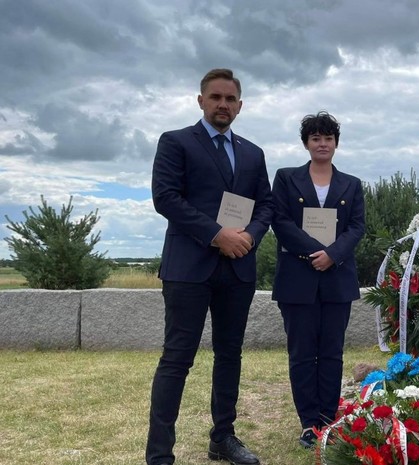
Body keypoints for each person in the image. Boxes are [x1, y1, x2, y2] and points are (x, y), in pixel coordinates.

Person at [146, 68, 272, 465]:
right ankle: (160, 455)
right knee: (176, 359)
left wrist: (249, 236)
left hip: (237, 268)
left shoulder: (253, 153)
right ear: (201, 101)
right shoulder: (176, 142)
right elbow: (166, 197)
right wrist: (218, 235)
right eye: (215, 97)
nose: (223, 104)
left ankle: (223, 438)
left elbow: (266, 205)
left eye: (230, 99)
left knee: (229, 354)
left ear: (240, 105)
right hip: (189, 268)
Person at [271, 111, 365, 448]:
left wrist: (333, 255)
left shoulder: (352, 184)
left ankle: (328, 420)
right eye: (315, 138)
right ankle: (309, 423)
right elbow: (280, 220)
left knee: (331, 352)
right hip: (297, 278)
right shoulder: (286, 178)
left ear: (336, 143)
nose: (322, 143)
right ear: (306, 143)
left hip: (337, 278)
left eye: (328, 138)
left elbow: (357, 226)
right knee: (301, 353)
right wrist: (316, 252)